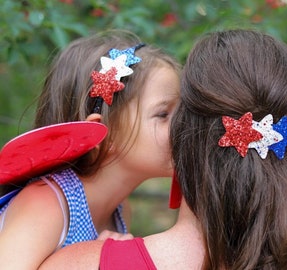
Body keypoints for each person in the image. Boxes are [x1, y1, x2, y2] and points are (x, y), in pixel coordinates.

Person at [39, 29, 287, 269]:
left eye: (177, 114)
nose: (174, 129)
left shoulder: (81, 259)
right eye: (163, 114)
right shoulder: (47, 204)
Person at [0, 29, 180, 269]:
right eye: (163, 114)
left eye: (181, 111)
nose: (183, 124)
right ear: (104, 134)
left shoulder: (119, 210)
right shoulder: (47, 204)